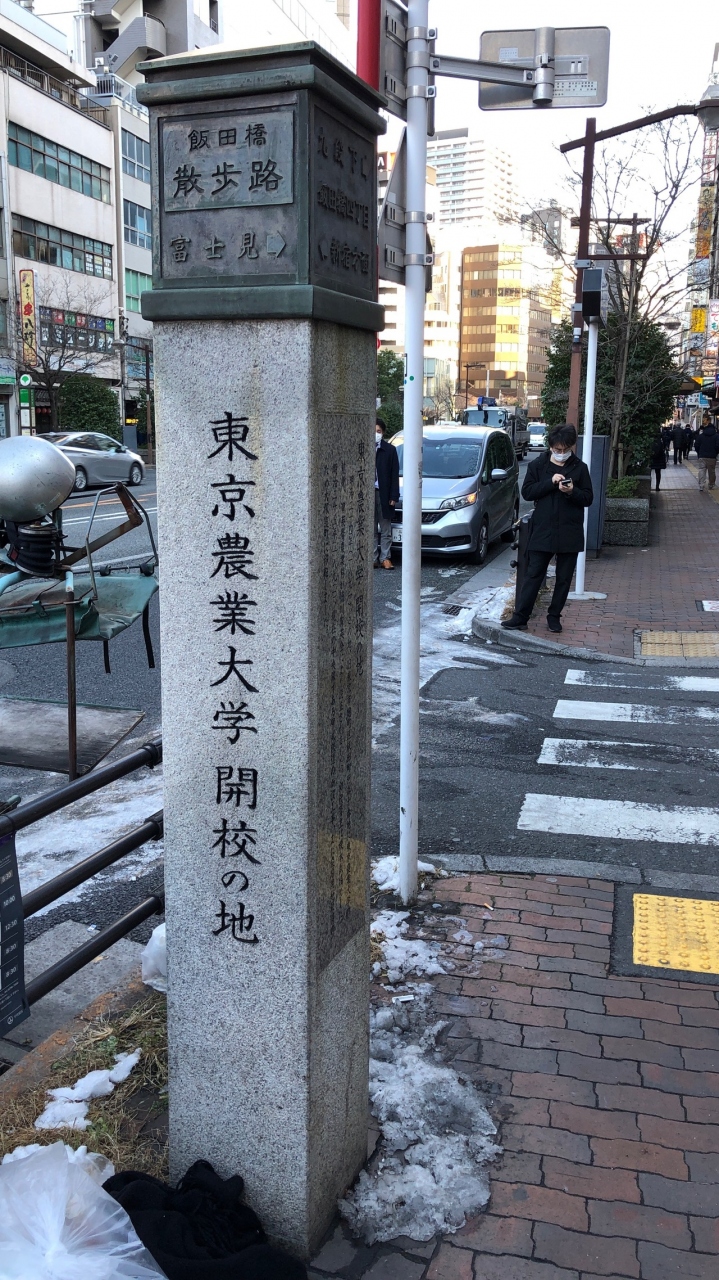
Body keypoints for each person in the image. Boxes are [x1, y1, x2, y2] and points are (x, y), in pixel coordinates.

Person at [501, 423, 593, 634]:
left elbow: (588, 498)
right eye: (558, 449)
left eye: (566, 449)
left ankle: (554, 617)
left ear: (572, 447)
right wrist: (550, 482)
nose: (561, 453)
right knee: (533, 574)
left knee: (563, 578)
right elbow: (527, 492)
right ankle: (520, 616)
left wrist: (572, 491)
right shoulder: (538, 465)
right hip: (543, 529)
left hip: (569, 531)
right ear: (551, 446)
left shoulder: (580, 468)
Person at [374, 417, 400, 569]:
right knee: (370, 528)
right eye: (373, 431)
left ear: (383, 433)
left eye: (378, 431)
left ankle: (385, 557)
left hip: (384, 493)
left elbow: (394, 474)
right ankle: (372, 558)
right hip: (368, 494)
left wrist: (393, 496)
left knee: (385, 528)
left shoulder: (390, 450)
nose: (376, 434)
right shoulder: (363, 447)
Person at [695, 415, 719, 492]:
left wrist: (699, 452)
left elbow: (696, 445)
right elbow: (718, 446)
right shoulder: (716, 436)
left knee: (702, 470)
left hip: (702, 455)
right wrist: (715, 453)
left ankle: (701, 485)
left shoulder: (701, 435)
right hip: (712, 456)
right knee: (711, 471)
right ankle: (711, 484)